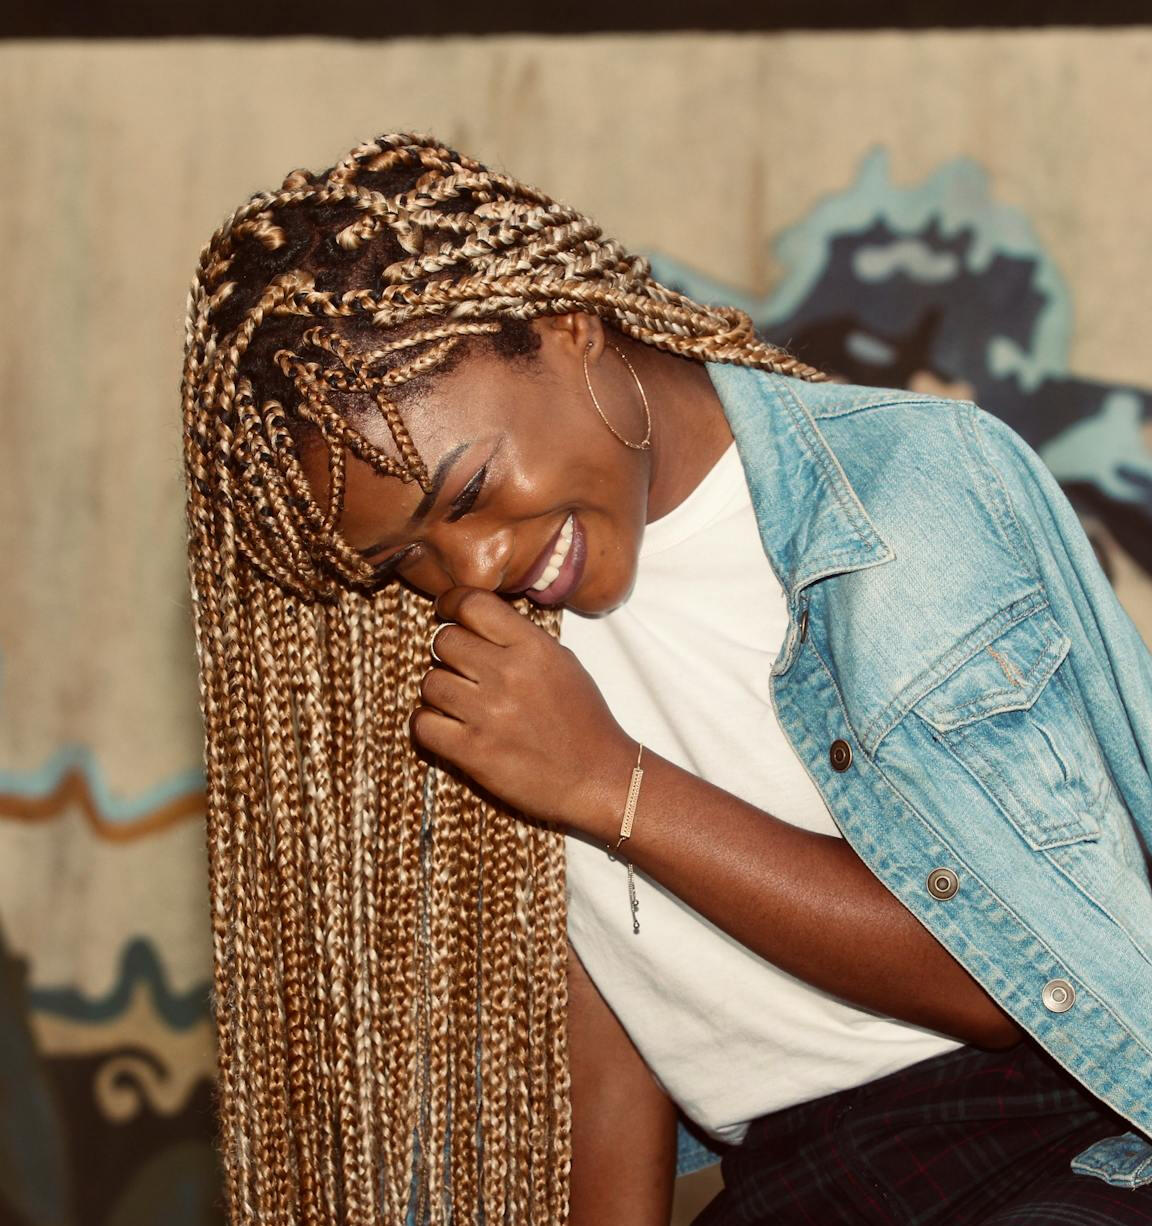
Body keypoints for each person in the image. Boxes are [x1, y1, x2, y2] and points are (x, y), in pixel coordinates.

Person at [181, 132, 1152, 1226]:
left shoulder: (899, 495)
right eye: (405, 559)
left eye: (468, 493)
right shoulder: (494, 660)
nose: (472, 574)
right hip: (797, 1178)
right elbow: (611, 1042)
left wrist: (613, 784)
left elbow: (1004, 976)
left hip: (1079, 1133)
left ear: (569, 328)